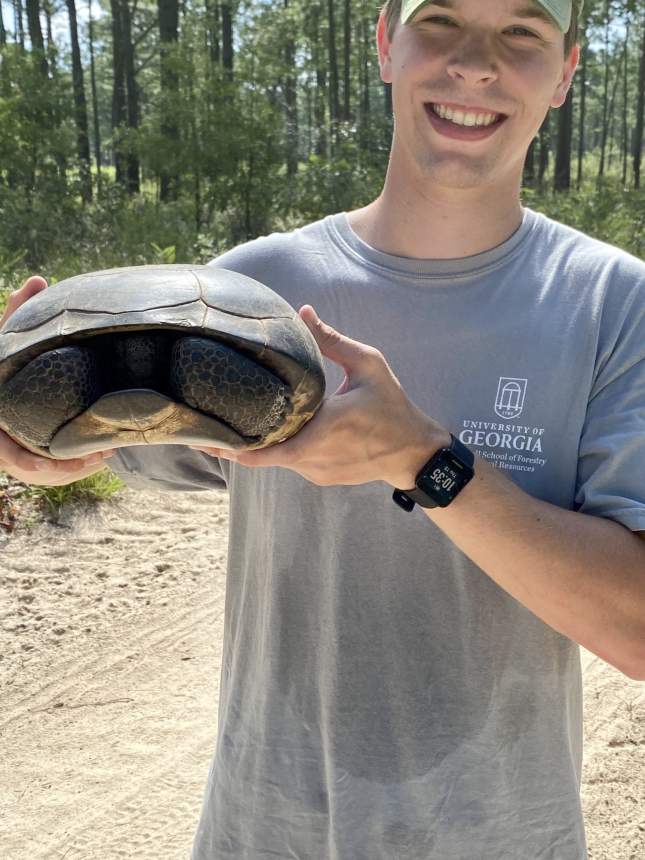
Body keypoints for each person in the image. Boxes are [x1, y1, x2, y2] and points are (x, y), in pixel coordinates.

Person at [2, 0, 645, 857]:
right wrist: (43, 447)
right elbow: (117, 442)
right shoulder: (249, 291)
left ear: (566, 71)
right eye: (441, 21)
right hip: (263, 830)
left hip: (501, 835)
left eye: (522, 33)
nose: (476, 63)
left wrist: (424, 460)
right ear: (385, 43)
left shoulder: (610, 307)